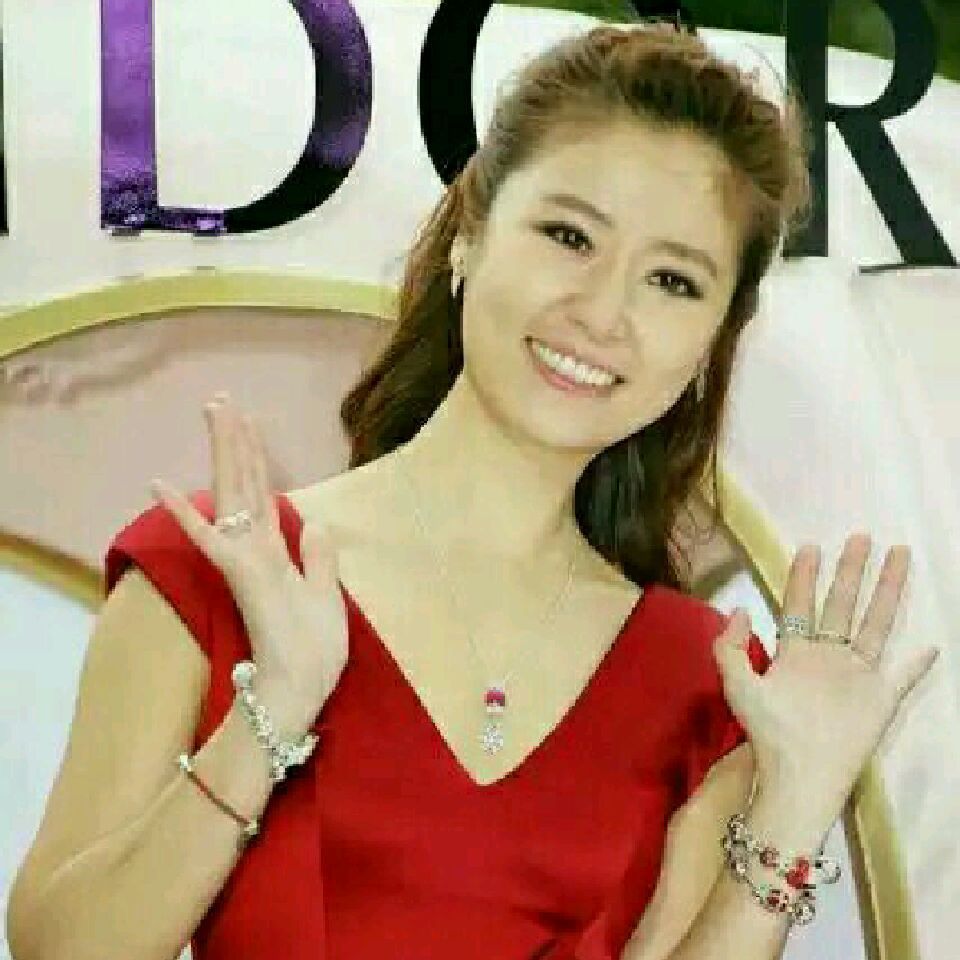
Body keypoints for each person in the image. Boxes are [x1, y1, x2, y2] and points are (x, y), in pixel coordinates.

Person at [6, 21, 938, 960]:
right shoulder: (220, 569)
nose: (603, 312)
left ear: (711, 345)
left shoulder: (703, 678)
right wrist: (272, 712)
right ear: (470, 235)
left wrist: (797, 802)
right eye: (569, 236)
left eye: (672, 280)